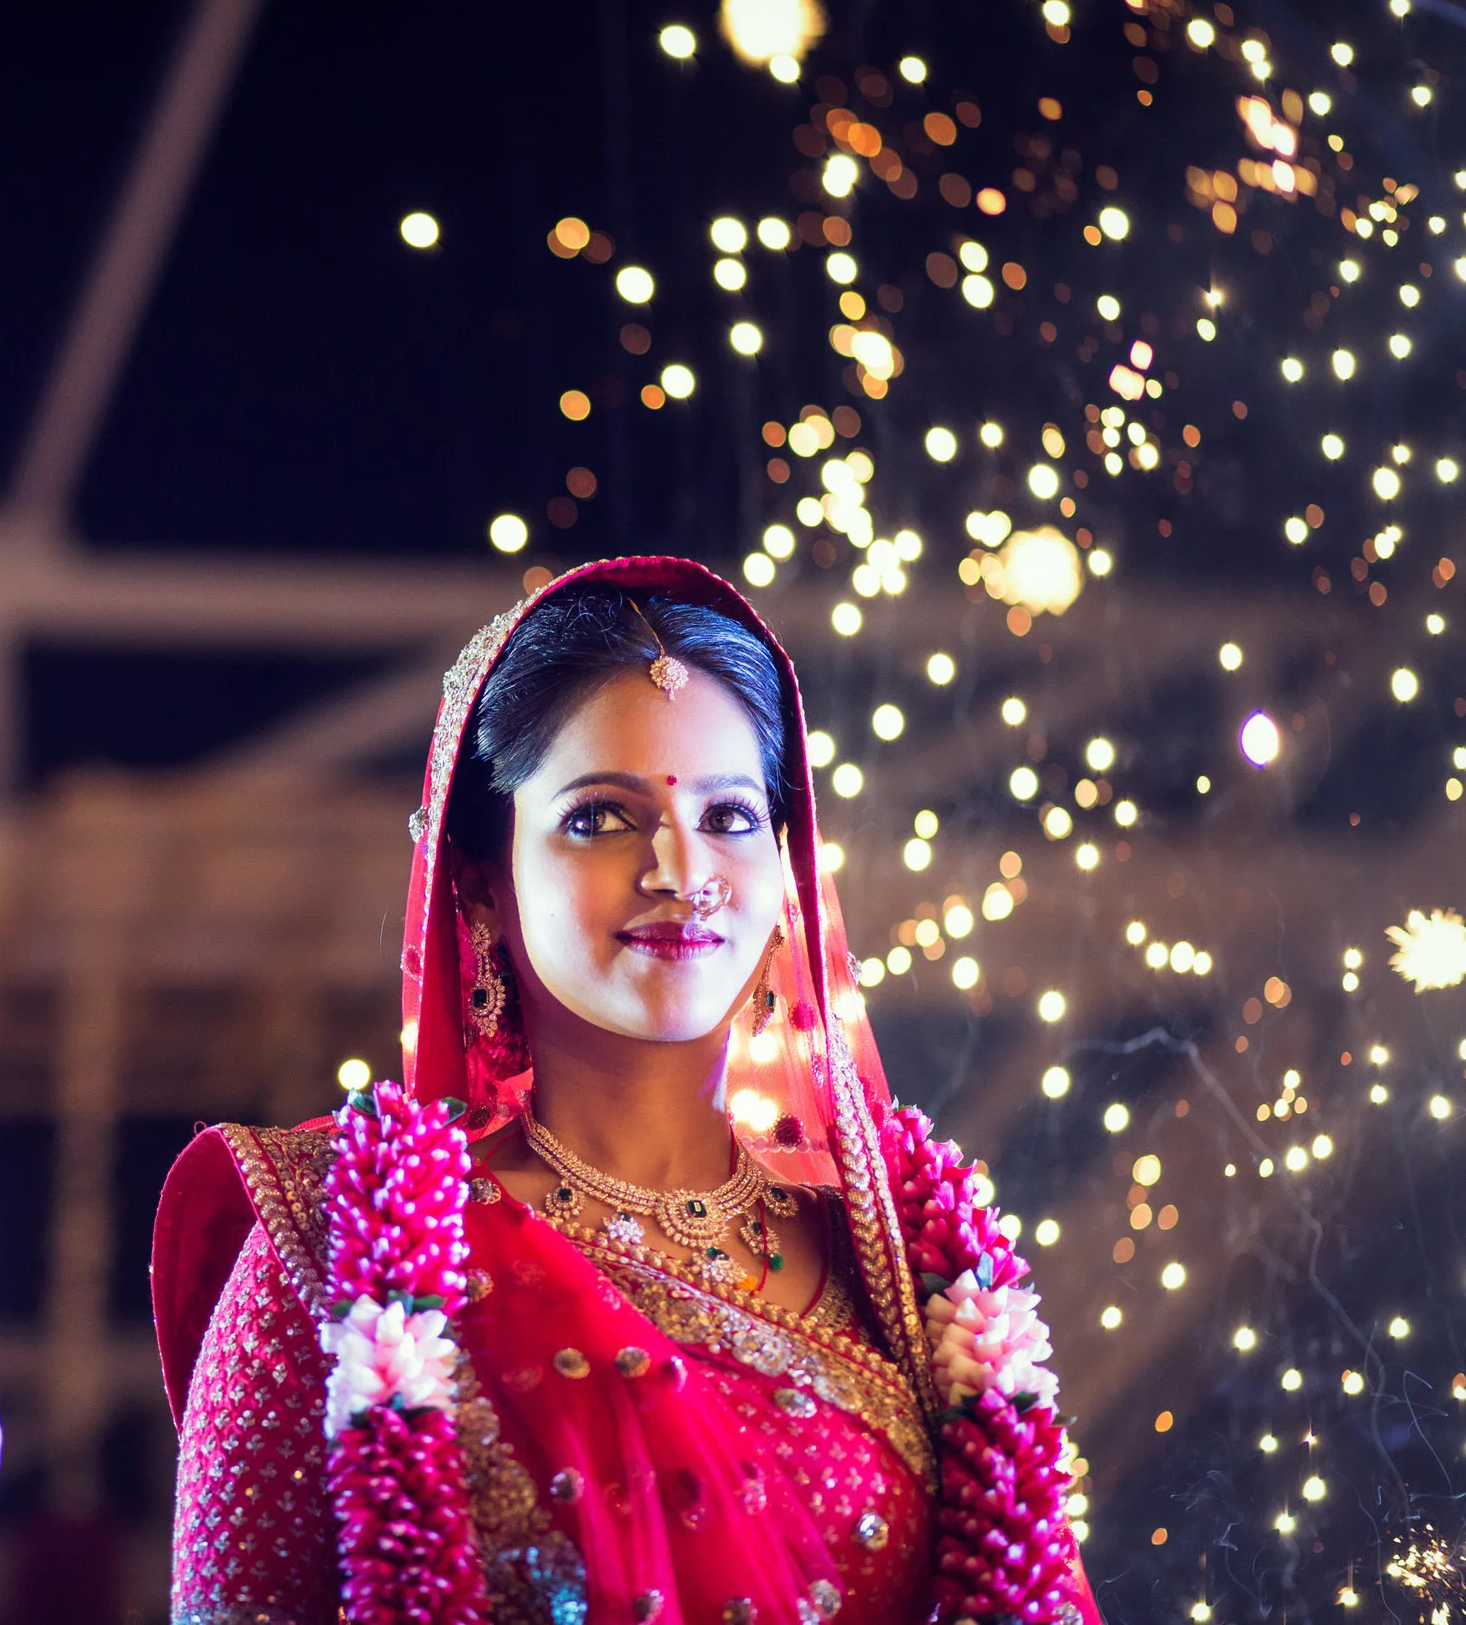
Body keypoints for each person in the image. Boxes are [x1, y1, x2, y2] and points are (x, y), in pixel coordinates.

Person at [153, 558, 1097, 1625]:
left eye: (731, 815)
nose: (678, 867)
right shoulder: (332, 1246)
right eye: (602, 816)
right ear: (480, 878)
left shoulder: (907, 1270)